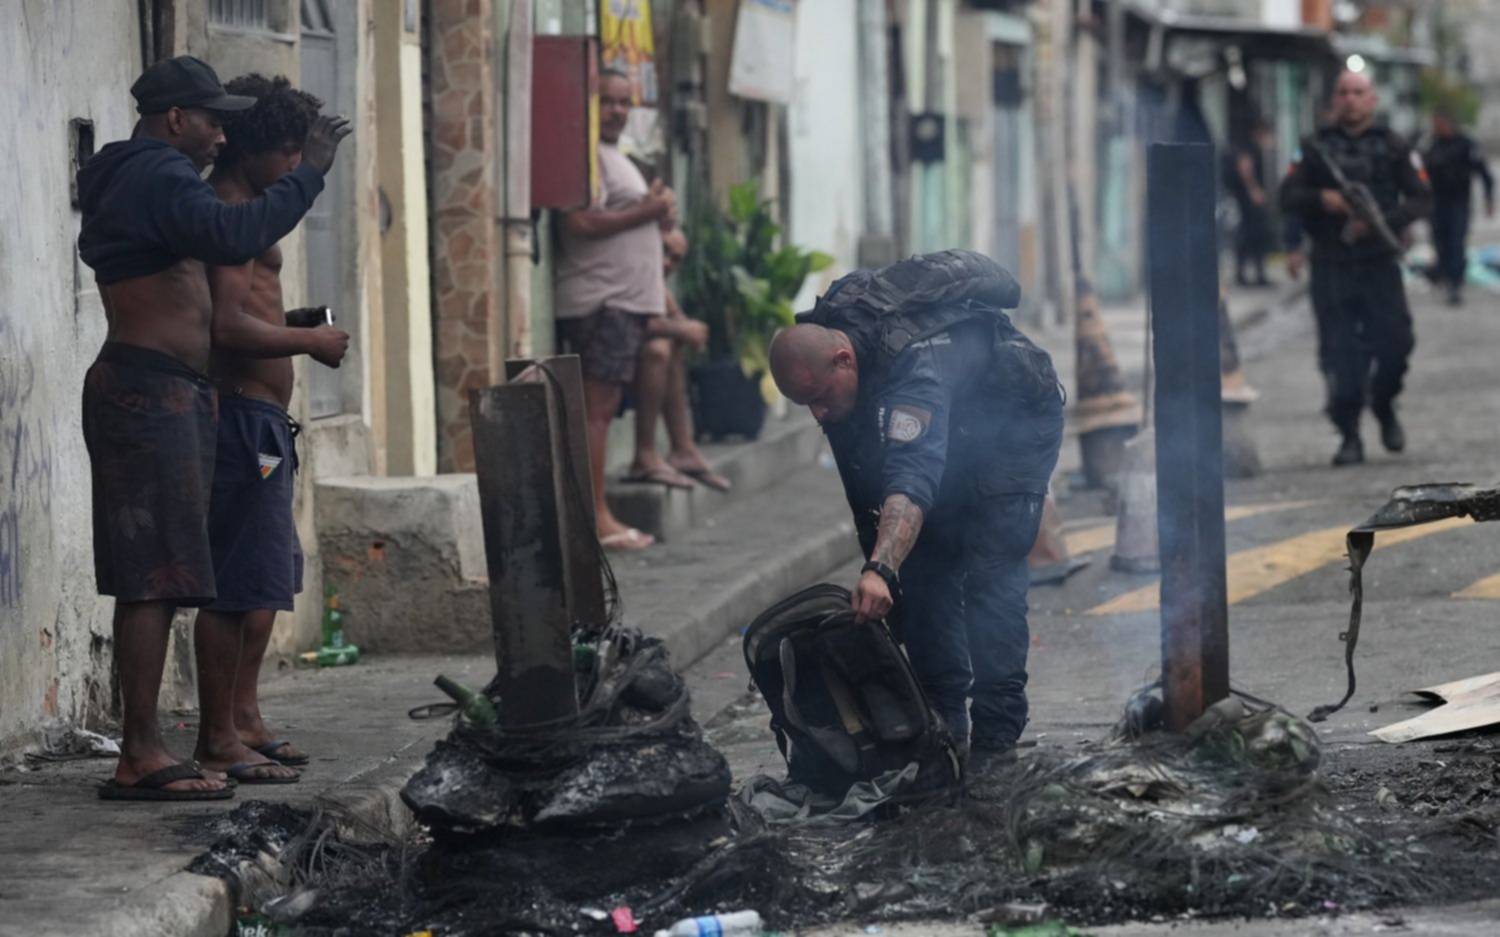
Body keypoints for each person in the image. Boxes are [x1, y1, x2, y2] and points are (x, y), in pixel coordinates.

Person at [76, 55, 348, 800]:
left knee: (166, 575)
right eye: (211, 121)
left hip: (167, 393)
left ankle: (152, 748)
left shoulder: (151, 180)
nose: (220, 138)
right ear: (176, 120)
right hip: (147, 391)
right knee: (153, 578)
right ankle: (140, 754)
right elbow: (236, 234)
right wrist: (312, 173)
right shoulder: (156, 175)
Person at [768, 250, 1064, 772]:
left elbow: (911, 472)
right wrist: (887, 566)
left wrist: (881, 568)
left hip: (1013, 427)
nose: (817, 412)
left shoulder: (913, 364)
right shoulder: (838, 355)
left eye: (819, 398)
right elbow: (867, 484)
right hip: (956, 428)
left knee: (990, 574)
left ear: (844, 361)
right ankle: (943, 728)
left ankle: (997, 740)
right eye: (805, 405)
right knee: (926, 571)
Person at [191, 74, 351, 785]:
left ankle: (246, 717)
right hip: (241, 420)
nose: (295, 168)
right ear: (254, 146)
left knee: (264, 582)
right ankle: (220, 731)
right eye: (288, 152)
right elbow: (225, 327)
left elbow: (242, 316)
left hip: (262, 420)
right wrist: (309, 345)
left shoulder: (249, 209)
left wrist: (292, 326)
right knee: (238, 585)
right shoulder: (230, 212)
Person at [554, 68, 699, 551]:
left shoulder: (615, 157)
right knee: (597, 413)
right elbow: (579, 221)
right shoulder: (585, 156)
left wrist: (658, 212)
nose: (616, 110)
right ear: (587, 105)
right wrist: (649, 211)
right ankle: (598, 518)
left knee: (602, 410)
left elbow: (627, 219)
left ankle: (602, 514)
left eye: (623, 102)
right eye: (606, 101)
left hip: (621, 305)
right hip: (603, 301)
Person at [1280, 70, 1431, 467]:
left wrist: (1386, 220)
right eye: (1343, 92)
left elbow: (1420, 198)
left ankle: (1383, 403)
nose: (1351, 99)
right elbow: (1288, 196)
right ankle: (1349, 435)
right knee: (1339, 353)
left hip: (1379, 262)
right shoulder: (1314, 147)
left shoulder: (1393, 145)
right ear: (1335, 99)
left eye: (1358, 92)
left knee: (1397, 344)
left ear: (1372, 100)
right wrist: (1322, 200)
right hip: (1332, 263)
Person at [632, 227, 731, 493]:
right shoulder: (629, 268)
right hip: (604, 357)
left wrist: (684, 328)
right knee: (660, 348)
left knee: (671, 343)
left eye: (676, 259)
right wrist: (682, 329)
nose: (667, 263)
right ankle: (647, 453)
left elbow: (677, 318)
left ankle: (683, 448)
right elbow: (631, 324)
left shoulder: (656, 281)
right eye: (663, 251)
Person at [1423, 111, 1494, 306]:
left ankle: (1455, 284)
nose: (1437, 128)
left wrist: (1489, 199)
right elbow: (1419, 174)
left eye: (1440, 124)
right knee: (1440, 242)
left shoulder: (1466, 144)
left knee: (1456, 242)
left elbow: (1484, 173)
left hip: (1458, 202)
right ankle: (1444, 276)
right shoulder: (1430, 145)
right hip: (1436, 203)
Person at [1225, 120, 1275, 287]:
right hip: (1248, 201)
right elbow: (1245, 169)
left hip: (1246, 199)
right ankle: (1252, 274)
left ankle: (1249, 274)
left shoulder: (1249, 147)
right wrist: (1255, 191)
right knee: (1252, 236)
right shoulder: (1249, 148)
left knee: (1250, 236)